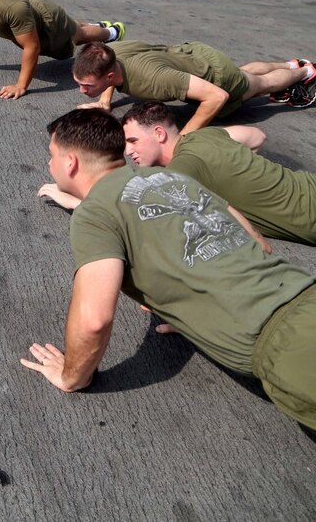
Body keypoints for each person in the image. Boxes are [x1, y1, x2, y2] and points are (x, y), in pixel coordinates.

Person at [22, 108, 316, 431]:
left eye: (51, 155)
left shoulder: (93, 214)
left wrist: (71, 375)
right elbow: (257, 242)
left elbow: (94, 321)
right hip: (303, 290)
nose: (49, 164)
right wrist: (195, 305)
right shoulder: (174, 177)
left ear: (70, 162)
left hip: (287, 344)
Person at [39, 101, 316, 246]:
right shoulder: (206, 137)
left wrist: (74, 201)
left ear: (159, 133)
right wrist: (239, 171)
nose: (128, 151)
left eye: (133, 141)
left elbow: (134, 217)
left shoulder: (180, 172)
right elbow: (257, 137)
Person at [72, 42, 316, 133]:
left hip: (217, 77)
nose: (82, 90)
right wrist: (104, 101)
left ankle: (305, 72)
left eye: (86, 86)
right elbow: (107, 75)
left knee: (260, 84)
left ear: (110, 75)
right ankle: (290, 63)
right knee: (247, 72)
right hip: (194, 56)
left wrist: (183, 139)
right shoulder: (112, 54)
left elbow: (216, 96)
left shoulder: (155, 79)